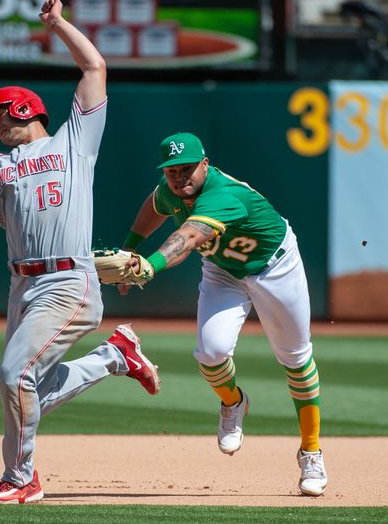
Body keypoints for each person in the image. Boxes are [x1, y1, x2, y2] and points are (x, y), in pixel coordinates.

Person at [0, 0, 161, 505]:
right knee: (25, 384)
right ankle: (115, 357)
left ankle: (21, 479)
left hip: (67, 280)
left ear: (22, 108)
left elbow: (94, 65)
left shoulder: (72, 141)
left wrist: (57, 23)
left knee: (14, 375)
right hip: (23, 285)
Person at [119, 131, 328, 497]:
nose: (180, 177)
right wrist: (129, 249)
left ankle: (311, 451)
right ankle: (234, 402)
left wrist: (149, 264)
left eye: (187, 169)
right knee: (211, 352)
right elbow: (154, 206)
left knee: (296, 359)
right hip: (223, 270)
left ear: (205, 164)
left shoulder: (223, 196)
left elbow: (187, 238)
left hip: (275, 267)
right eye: (171, 171)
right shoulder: (171, 189)